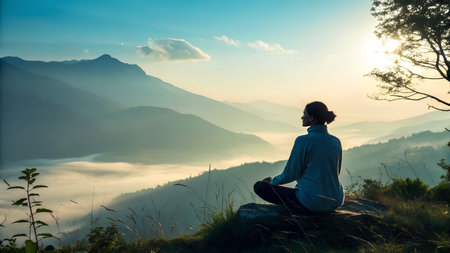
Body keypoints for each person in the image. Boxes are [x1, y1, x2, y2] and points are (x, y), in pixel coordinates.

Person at [253, 101, 344, 213]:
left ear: (311, 118)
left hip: (312, 202)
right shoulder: (335, 141)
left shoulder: (303, 141)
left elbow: (290, 174)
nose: (302, 117)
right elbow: (336, 171)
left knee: (259, 187)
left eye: (304, 114)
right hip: (336, 200)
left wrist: (272, 182)